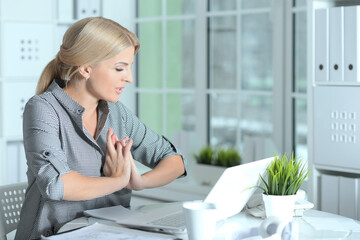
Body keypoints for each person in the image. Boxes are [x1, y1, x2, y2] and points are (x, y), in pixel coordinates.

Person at [15, 17, 187, 240]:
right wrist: (117, 181)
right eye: (119, 68)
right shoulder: (42, 109)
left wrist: (139, 182)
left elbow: (174, 160)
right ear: (86, 68)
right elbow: (58, 185)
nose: (130, 78)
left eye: (129, 68)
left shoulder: (117, 113)